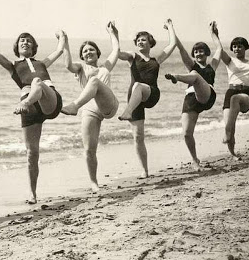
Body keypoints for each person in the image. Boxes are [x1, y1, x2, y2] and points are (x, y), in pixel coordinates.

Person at [0, 29, 66, 204]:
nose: (25, 42)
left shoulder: (42, 63)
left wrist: (62, 36)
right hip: (31, 110)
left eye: (28, 41)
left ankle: (26, 102)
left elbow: (59, 50)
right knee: (32, 154)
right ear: (17, 46)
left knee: (36, 82)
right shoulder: (13, 66)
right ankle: (33, 193)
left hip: (48, 100)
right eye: (22, 40)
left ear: (34, 46)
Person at [61, 22, 120, 192]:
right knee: (89, 149)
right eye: (85, 51)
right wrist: (65, 42)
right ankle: (94, 182)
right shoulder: (80, 68)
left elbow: (115, 50)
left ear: (97, 53)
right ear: (82, 56)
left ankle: (74, 106)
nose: (88, 52)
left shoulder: (105, 67)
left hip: (108, 104)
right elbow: (68, 65)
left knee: (94, 80)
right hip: (90, 109)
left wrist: (113, 33)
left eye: (91, 49)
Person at [117, 19, 177, 178]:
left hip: (151, 94)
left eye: (143, 39)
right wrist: (114, 35)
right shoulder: (132, 57)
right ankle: (145, 171)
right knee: (138, 137)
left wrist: (170, 27)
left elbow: (172, 44)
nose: (140, 42)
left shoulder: (156, 60)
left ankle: (128, 111)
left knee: (138, 85)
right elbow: (117, 54)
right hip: (134, 98)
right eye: (137, 40)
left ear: (150, 43)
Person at [164, 21, 222, 170]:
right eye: (196, 52)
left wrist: (213, 34)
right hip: (191, 98)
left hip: (207, 95)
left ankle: (177, 77)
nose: (198, 53)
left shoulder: (211, 66)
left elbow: (220, 49)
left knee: (195, 75)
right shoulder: (191, 64)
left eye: (201, 51)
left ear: (206, 53)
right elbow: (180, 47)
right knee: (186, 133)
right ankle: (194, 160)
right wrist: (171, 28)